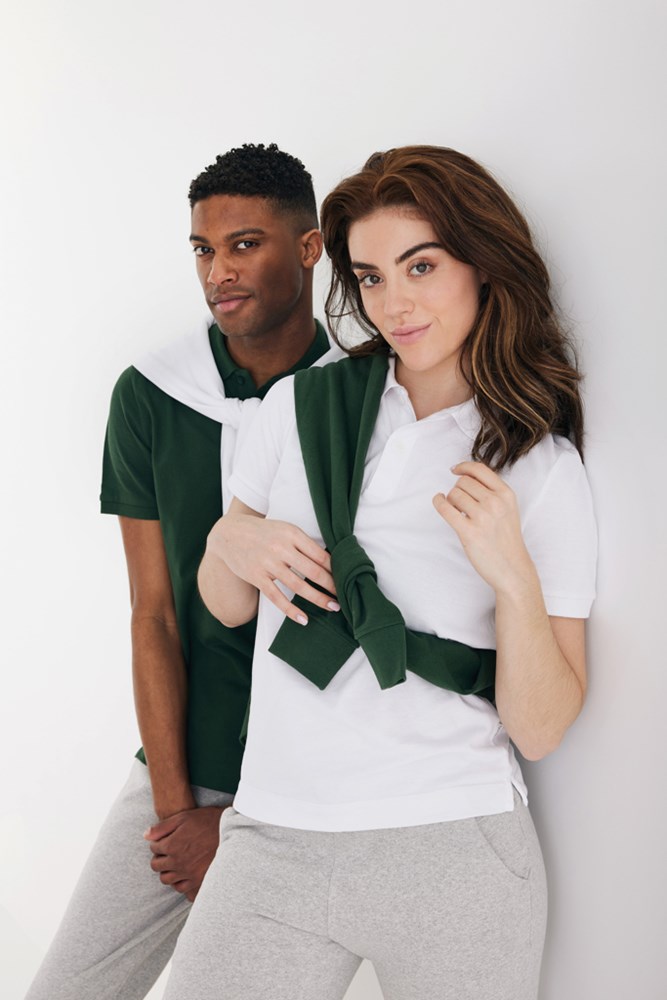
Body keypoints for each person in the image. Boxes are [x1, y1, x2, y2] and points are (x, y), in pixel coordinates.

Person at [166, 145, 598, 1000]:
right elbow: (225, 606)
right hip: (275, 836)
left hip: (452, 845)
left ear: (482, 265)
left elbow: (541, 729)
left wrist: (512, 578)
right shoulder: (299, 406)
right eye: (369, 277)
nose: (392, 303)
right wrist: (228, 542)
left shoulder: (537, 467)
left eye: (420, 266)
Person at [26, 143, 340, 1000]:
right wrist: (178, 813)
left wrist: (243, 822)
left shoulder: (362, 393)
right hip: (185, 760)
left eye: (244, 244)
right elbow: (152, 615)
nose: (217, 272)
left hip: (322, 778)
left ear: (309, 247)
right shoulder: (151, 395)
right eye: (203, 249)